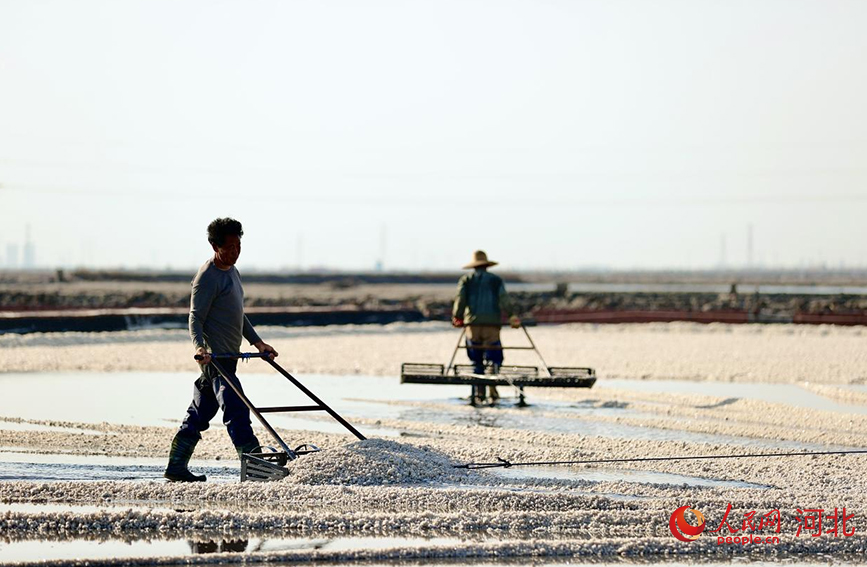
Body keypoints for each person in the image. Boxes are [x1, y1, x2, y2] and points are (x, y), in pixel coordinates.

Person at [164, 217, 279, 482]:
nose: (235, 251)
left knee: (199, 413)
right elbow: (195, 318)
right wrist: (200, 348)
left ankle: (176, 467)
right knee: (237, 410)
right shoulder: (207, 277)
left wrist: (257, 342)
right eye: (229, 247)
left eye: (238, 245)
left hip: (229, 357)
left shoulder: (233, 272)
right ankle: (257, 470)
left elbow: (238, 315)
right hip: (215, 360)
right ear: (214, 246)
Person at [451, 250, 521, 405]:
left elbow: (460, 299)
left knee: (476, 360)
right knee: (494, 356)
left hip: (472, 325)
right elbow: (504, 299)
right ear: (486, 265)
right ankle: (492, 388)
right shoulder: (495, 280)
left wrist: (457, 317)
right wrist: (511, 316)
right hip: (492, 324)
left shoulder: (466, 280)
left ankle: (478, 392)